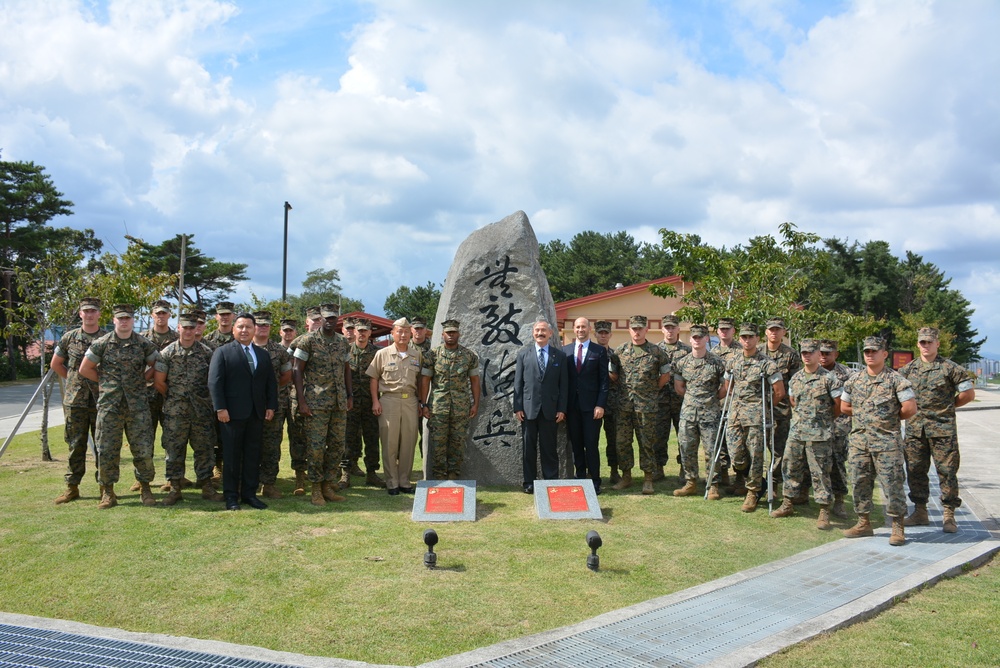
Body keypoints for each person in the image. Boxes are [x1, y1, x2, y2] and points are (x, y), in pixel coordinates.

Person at [78, 304, 161, 509]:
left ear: (133, 321)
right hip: (110, 407)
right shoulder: (102, 343)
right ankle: (108, 492)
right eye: (120, 318)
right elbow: (85, 368)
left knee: (142, 450)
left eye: (128, 318)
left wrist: (142, 380)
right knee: (106, 450)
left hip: (137, 407)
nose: (124, 322)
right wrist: (105, 382)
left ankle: (145, 487)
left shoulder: (143, 343)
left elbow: (157, 364)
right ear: (114, 320)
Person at [840, 336, 917, 546]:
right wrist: (866, 415)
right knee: (859, 482)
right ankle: (863, 522)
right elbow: (844, 407)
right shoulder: (854, 380)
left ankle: (897, 527)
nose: (870, 355)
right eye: (867, 352)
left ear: (885, 354)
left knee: (892, 485)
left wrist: (886, 418)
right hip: (859, 443)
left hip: (887, 443)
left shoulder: (897, 380)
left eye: (874, 351)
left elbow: (910, 408)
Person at [898, 327, 976, 533]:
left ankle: (949, 515)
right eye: (922, 342)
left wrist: (948, 407)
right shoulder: (907, 371)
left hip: (943, 431)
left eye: (929, 342)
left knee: (947, 472)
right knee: (915, 472)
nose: (926, 346)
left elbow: (968, 393)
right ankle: (920, 512)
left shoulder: (951, 368)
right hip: (916, 431)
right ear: (918, 344)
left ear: (937, 344)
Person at [208, 313, 278, 510]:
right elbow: (215, 382)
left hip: (256, 414)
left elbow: (270, 383)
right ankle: (231, 496)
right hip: (231, 415)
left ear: (254, 329)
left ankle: (249, 494)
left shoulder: (262, 354)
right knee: (231, 457)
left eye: (248, 327)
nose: (244, 330)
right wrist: (220, 408)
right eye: (240, 327)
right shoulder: (222, 352)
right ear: (233, 329)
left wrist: (271, 406)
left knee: (252, 455)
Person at [770, 339, 842, 529]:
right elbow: (793, 401)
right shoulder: (796, 378)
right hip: (797, 432)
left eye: (811, 352)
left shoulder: (830, 379)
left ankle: (824, 510)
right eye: (804, 353)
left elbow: (839, 407)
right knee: (790, 467)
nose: (807, 355)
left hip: (819, 435)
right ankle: (788, 503)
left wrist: (823, 422)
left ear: (819, 354)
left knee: (820, 472)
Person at [153, 312, 224, 505]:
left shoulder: (207, 353)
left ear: (197, 329)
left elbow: (215, 380)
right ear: (178, 328)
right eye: (185, 327)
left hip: (201, 412)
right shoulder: (167, 353)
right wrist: (174, 396)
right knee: (174, 450)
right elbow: (159, 382)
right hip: (176, 413)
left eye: (192, 327)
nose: (189, 331)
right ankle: (175, 488)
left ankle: (206, 486)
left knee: (205, 449)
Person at [292, 303, 353, 505]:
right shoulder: (308, 341)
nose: (329, 321)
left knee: (337, 446)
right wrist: (301, 400)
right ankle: (315, 488)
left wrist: (349, 396)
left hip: (338, 402)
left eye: (333, 318)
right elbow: (297, 370)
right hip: (316, 404)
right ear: (321, 318)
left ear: (338, 319)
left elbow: (346, 370)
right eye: (326, 318)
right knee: (316, 447)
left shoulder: (343, 342)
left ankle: (328, 484)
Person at [724, 323, 784, 513]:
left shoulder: (767, 363)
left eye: (751, 337)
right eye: (744, 337)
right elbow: (728, 386)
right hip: (735, 414)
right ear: (740, 339)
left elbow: (779, 392)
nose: (747, 340)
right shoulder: (733, 361)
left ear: (758, 339)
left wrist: (764, 407)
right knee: (736, 455)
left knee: (756, 455)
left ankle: (753, 491)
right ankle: (759, 481)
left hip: (756, 415)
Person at [51, 297, 103, 504]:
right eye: (86, 311)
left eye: (93, 311)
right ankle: (72, 487)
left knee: (103, 446)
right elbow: (56, 364)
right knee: (75, 445)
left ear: (99, 314)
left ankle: (105, 487)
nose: (89, 314)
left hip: (101, 400)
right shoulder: (69, 338)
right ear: (80, 314)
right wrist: (73, 381)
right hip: (76, 402)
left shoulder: (107, 338)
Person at [613, 316, 670, 495]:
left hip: (646, 406)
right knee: (622, 442)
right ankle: (626, 476)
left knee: (647, 442)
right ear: (629, 330)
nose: (637, 332)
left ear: (646, 330)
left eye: (640, 329)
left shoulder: (657, 352)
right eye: (634, 329)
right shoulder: (620, 351)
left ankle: (648, 478)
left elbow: (665, 376)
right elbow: (612, 374)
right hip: (624, 406)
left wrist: (651, 391)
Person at [367, 318, 423, 495]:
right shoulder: (382, 354)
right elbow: (374, 378)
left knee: (408, 442)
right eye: (400, 331)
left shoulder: (416, 355)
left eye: (407, 331)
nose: (403, 335)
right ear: (392, 333)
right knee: (390, 442)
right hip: (389, 400)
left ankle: (405, 480)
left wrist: (421, 401)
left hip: (410, 401)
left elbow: (420, 380)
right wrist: (375, 401)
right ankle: (392, 482)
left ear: (411, 333)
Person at [420, 319, 481, 480]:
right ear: (442, 334)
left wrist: (476, 403)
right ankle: (439, 475)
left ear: (459, 334)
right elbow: (425, 381)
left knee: (458, 442)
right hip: (437, 407)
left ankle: (454, 474)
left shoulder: (469, 356)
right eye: (448, 333)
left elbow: (475, 381)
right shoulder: (432, 355)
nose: (451, 335)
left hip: (461, 408)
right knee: (438, 443)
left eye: (454, 332)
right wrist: (424, 404)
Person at [672, 324, 727, 499]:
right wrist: (691, 400)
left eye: (700, 337)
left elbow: (725, 387)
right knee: (687, 448)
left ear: (706, 339)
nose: (697, 340)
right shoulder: (683, 362)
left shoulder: (717, 363)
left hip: (710, 414)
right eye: (694, 337)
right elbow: (679, 387)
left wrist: (711, 400)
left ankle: (713, 485)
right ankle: (691, 482)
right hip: (688, 413)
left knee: (711, 450)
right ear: (691, 339)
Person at [513, 319, 568, 494]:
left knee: (549, 448)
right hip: (528, 410)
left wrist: (562, 408)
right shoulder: (524, 355)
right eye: (537, 330)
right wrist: (518, 407)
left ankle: (550, 480)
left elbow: (564, 385)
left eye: (543, 330)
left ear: (550, 333)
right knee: (528, 448)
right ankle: (529, 482)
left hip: (551, 410)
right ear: (532, 333)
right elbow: (518, 384)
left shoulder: (558, 356)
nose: (540, 333)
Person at [562, 317, 608, 493]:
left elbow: (604, 381)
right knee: (576, 444)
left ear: (589, 329)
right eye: (578, 327)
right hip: (572, 407)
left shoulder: (599, 351)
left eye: (584, 327)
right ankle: (580, 476)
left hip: (592, 408)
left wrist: (600, 405)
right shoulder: (565, 351)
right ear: (574, 329)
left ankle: (595, 479)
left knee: (591, 444)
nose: (581, 330)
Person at [253, 311, 292, 499]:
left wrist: (271, 392)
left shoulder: (279, 351)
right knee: (249, 445)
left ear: (270, 328)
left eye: (265, 325)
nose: (262, 328)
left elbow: (286, 376)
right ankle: (249, 482)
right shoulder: (243, 348)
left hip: (272, 406)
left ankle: (268, 484)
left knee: (271, 446)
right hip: (248, 406)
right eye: (259, 324)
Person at [343, 318, 385, 487]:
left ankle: (372, 473)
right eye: (358, 330)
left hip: (370, 403)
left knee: (372, 438)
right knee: (348, 439)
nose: (361, 333)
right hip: (350, 404)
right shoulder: (346, 351)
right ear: (354, 332)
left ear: (369, 332)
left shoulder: (377, 353)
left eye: (364, 331)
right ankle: (345, 473)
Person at [763, 317, 801, 497]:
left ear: (784, 332)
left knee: (779, 448)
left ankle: (775, 483)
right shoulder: (757, 352)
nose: (774, 332)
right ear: (766, 332)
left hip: (781, 409)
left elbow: (795, 383)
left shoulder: (791, 354)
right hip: (757, 407)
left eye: (778, 329)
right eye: (771, 329)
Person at [819, 339, 853, 518]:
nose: (823, 357)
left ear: (836, 354)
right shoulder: (812, 371)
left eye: (827, 353)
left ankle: (839, 500)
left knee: (837, 462)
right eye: (821, 353)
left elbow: (849, 400)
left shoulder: (846, 374)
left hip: (839, 424)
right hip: (816, 424)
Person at [656, 314, 691, 482]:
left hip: (681, 401)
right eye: (667, 327)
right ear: (662, 329)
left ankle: (684, 469)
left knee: (683, 436)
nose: (670, 330)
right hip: (660, 401)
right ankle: (658, 468)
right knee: (659, 436)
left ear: (678, 329)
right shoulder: (654, 350)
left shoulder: (687, 351)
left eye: (673, 327)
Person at [708, 316, 740, 487]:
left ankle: (740, 476)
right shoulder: (713, 353)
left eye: (728, 328)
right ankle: (723, 473)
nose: (724, 331)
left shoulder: (741, 351)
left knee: (736, 442)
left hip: (737, 404)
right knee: (718, 440)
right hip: (718, 403)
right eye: (721, 329)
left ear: (733, 331)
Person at [593, 321, 620, 486]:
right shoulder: (589, 352)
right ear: (595, 334)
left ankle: (614, 470)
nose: (603, 335)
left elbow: (618, 378)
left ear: (610, 335)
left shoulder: (616, 355)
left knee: (613, 439)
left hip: (612, 404)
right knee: (591, 440)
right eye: (600, 333)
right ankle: (590, 470)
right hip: (593, 403)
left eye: (606, 333)